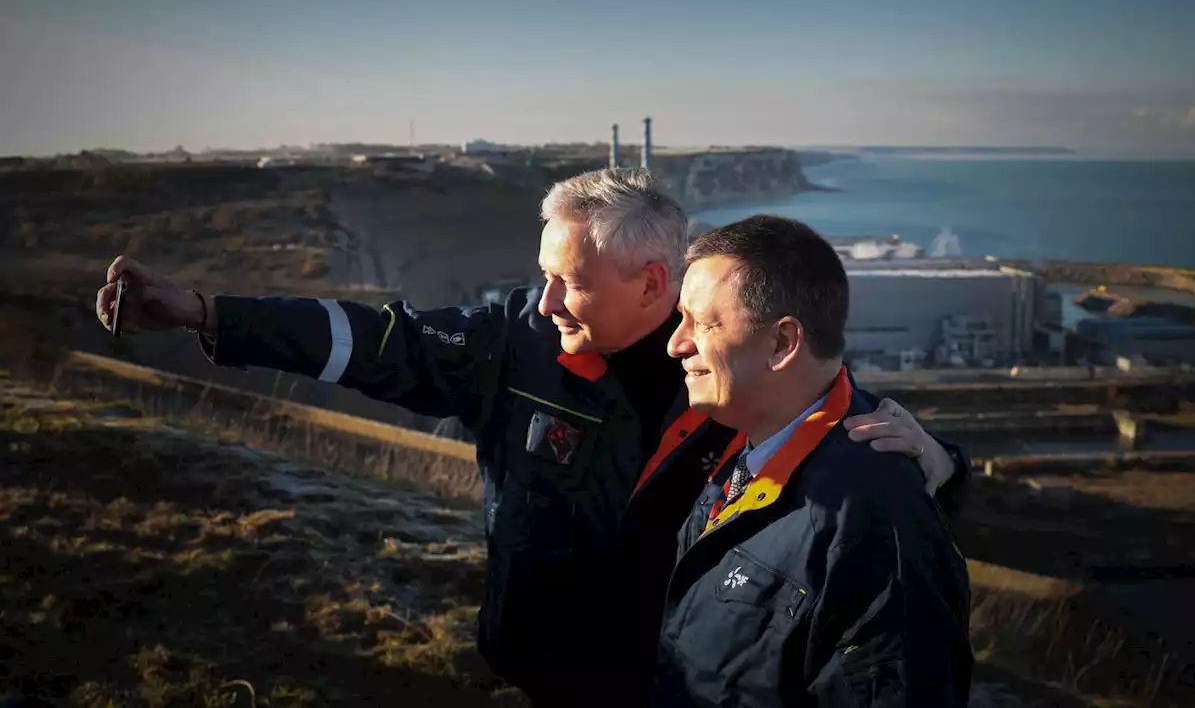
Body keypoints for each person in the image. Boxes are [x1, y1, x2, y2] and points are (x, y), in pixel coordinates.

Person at [95, 168, 971, 706]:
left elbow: (834, 427)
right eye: (542, 276)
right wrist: (207, 314)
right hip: (540, 664)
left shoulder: (723, 366)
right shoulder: (512, 342)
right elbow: (368, 342)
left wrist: (942, 465)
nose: (544, 303)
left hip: (664, 679)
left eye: (571, 283)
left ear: (653, 284)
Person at [652, 215, 972, 706]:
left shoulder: (872, 527)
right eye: (681, 320)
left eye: (704, 323)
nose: (677, 343)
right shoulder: (751, 444)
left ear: (782, 343)